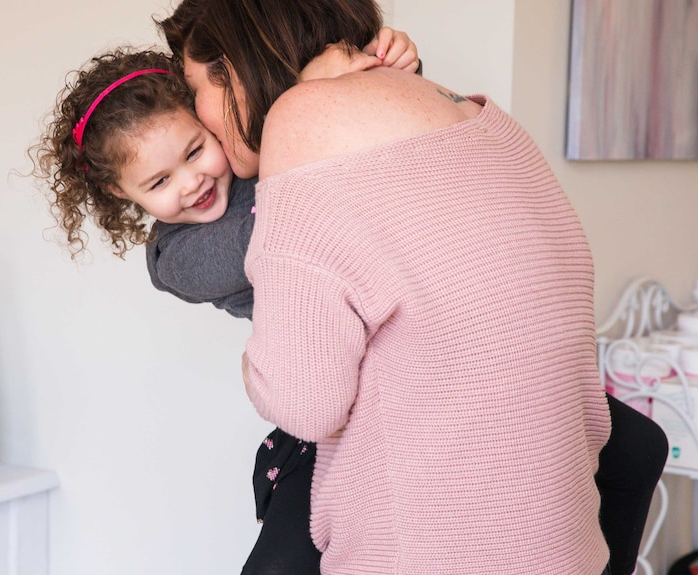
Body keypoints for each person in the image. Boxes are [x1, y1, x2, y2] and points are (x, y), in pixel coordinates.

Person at [157, 1, 669, 574]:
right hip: (561, 540)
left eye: (194, 85)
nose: (200, 116)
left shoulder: (301, 123)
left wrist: (258, 364)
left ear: (234, 67)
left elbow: (305, 404)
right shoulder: (476, 116)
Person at [29, 35, 419, 575]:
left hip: (396, 347)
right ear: (123, 194)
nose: (193, 182)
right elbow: (274, 230)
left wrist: (385, 71)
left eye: (194, 151)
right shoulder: (178, 258)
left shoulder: (254, 161)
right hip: (325, 392)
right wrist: (307, 104)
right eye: (160, 181)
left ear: (209, 121)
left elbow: (374, 150)